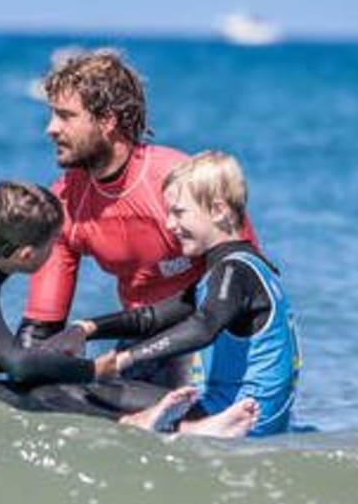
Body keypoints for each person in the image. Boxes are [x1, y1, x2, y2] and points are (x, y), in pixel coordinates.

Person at [0, 178, 261, 437]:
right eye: (53, 245)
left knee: (48, 384)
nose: (56, 252)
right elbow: (16, 363)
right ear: (29, 255)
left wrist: (49, 355)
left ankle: (171, 422)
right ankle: (138, 423)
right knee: (19, 394)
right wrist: (93, 367)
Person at [18, 49, 260, 388]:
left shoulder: (178, 184)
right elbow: (41, 328)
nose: (50, 129)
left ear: (107, 121)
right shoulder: (64, 204)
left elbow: (248, 275)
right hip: (140, 342)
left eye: (65, 116)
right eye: (52, 116)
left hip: (211, 338)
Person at [79, 152, 301, 437]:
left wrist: (124, 359)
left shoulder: (234, 271)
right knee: (111, 392)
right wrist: (86, 329)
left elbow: (203, 327)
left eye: (179, 212)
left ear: (218, 211)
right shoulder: (247, 268)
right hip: (266, 419)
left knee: (82, 396)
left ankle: (190, 427)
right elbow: (152, 316)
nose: (170, 225)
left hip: (239, 417)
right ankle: (184, 424)